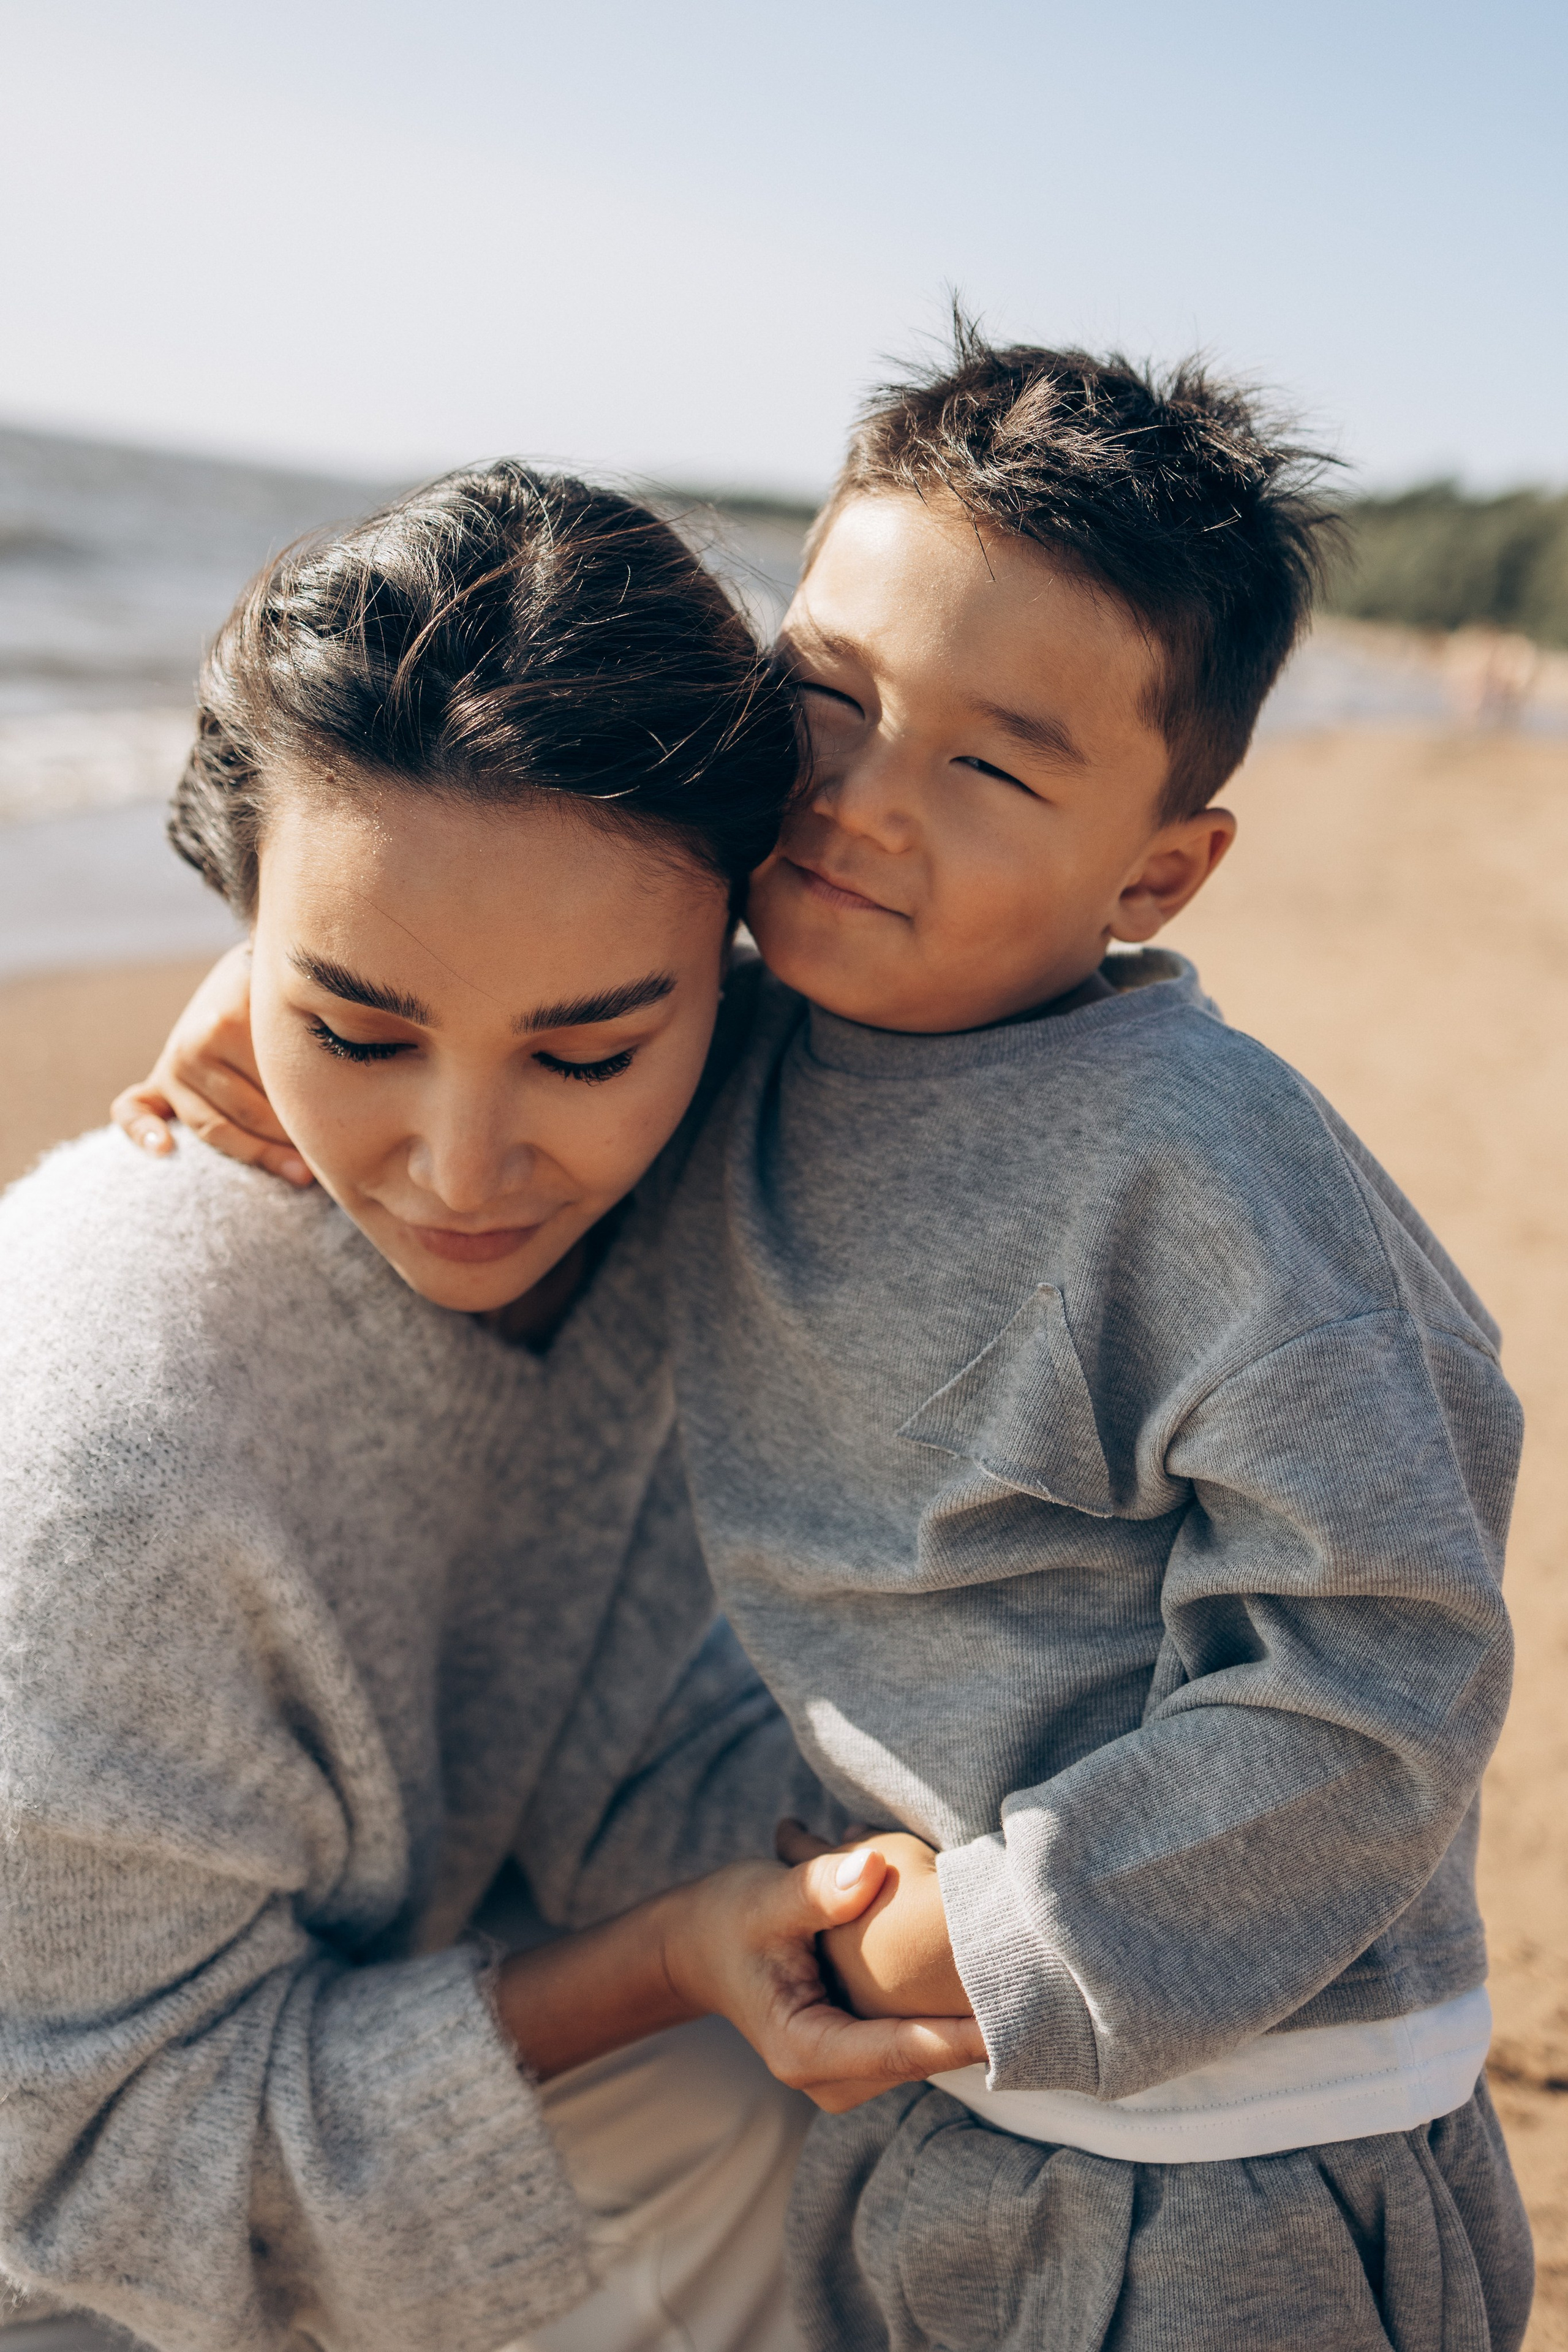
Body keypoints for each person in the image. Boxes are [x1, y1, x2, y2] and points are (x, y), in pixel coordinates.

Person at [118, 327, 1534, 2352]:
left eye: (991, 766)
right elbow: (534, 968)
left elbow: (1389, 1662)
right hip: (935, 2095)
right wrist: (274, 977)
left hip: (1239, 2138)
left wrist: (1010, 1928)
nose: (863, 803)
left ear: (1157, 869)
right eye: (833, 701)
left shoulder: (1207, 1176)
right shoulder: (757, 1045)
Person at [0, 462, 984, 2352]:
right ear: (242, 932)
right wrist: (667, 1964)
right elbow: (81, 2178)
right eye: (357, 1031)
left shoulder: (735, 1146)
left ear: (742, 967)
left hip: (378, 1993)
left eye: (589, 1048)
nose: (462, 1169)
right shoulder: (110, 1438)